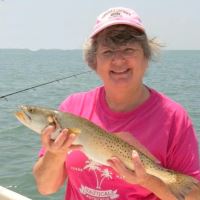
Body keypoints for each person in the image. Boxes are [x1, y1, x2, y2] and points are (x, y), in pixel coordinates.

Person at [33, 7, 200, 200]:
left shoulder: (174, 117)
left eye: (128, 49)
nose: (118, 60)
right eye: (107, 51)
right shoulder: (72, 108)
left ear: (146, 57)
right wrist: (54, 154)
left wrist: (147, 180)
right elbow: (46, 188)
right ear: (93, 62)